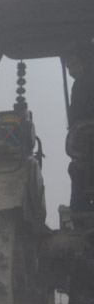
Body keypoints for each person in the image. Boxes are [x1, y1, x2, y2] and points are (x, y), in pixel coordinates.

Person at [63, 41, 94, 216]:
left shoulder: (82, 86)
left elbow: (77, 121)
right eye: (68, 67)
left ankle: (79, 218)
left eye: (74, 64)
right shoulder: (78, 86)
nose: (71, 71)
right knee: (79, 170)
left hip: (87, 149)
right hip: (87, 150)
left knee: (78, 171)